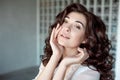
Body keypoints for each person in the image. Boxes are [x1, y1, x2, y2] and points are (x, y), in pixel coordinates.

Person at [34, 3, 114, 80]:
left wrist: (64, 65)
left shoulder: (89, 72)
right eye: (65, 21)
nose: (67, 28)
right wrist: (55, 56)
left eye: (77, 26)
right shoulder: (51, 58)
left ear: (85, 39)